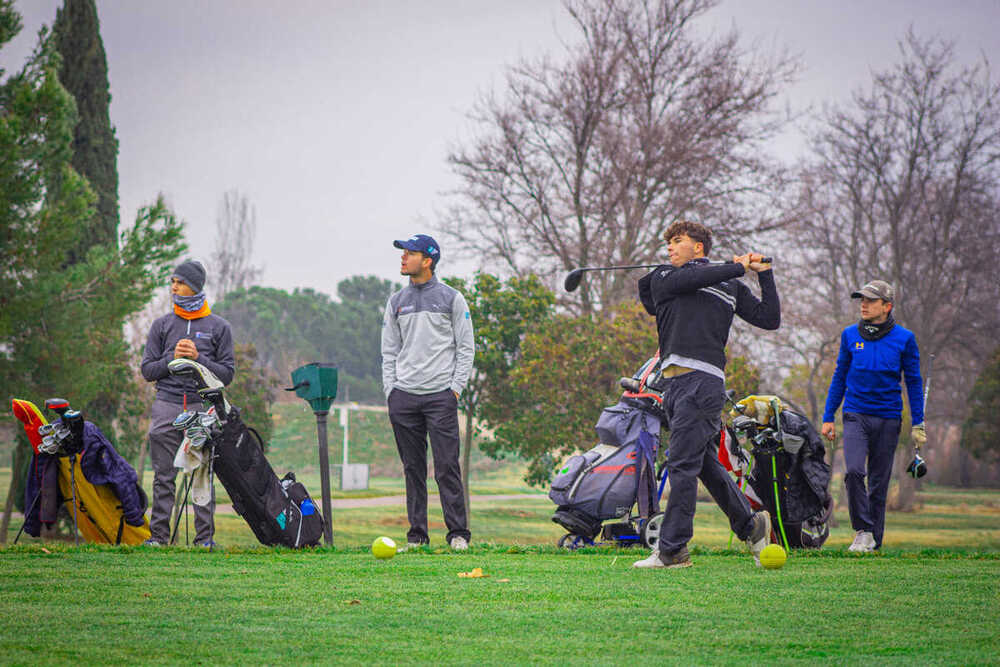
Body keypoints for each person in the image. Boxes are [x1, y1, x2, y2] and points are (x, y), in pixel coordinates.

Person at [633, 220, 780, 569]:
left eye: (677, 241)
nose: (669, 247)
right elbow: (692, 279)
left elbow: (769, 318)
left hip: (704, 382)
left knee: (682, 462)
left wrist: (765, 275)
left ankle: (673, 551)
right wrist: (737, 266)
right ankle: (750, 524)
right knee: (702, 464)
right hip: (674, 385)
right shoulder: (666, 277)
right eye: (668, 242)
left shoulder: (728, 283)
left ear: (698, 247)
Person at [381, 234, 475, 550]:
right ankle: (418, 536)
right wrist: (390, 392)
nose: (403, 258)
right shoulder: (396, 301)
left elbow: (466, 347)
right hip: (403, 397)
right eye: (403, 253)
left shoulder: (452, 298)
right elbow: (389, 351)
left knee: (447, 467)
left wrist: (455, 390)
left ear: (428, 260)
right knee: (413, 469)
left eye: (410, 253)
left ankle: (458, 534)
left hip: (440, 397)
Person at [821, 280, 924, 553]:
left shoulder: (905, 339)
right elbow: (839, 376)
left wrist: (918, 423)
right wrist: (828, 415)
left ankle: (874, 541)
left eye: (870, 300)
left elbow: (913, 382)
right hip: (855, 414)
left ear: (887, 306)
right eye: (861, 300)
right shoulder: (849, 335)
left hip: (889, 418)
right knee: (854, 471)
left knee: (879, 483)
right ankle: (862, 531)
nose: (863, 305)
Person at [140, 260, 234, 547]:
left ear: (194, 285)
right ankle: (158, 538)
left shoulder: (219, 327)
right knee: (163, 476)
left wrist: (198, 359)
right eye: (172, 282)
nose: (173, 287)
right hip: (166, 405)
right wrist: (172, 358)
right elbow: (147, 371)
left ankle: (204, 540)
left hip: (201, 407)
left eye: (178, 281)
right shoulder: (162, 325)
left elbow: (227, 375)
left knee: (202, 474)